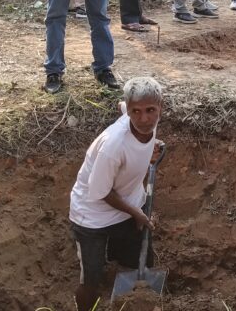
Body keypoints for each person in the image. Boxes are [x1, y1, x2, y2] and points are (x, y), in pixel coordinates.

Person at [69, 77, 165, 311]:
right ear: (130, 111)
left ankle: (132, 301)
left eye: (150, 110)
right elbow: (100, 191)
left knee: (139, 263)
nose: (144, 119)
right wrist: (137, 214)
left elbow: (121, 107)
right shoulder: (113, 146)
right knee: (91, 278)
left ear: (161, 107)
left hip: (129, 205)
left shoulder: (142, 120)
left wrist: (150, 146)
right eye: (136, 112)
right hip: (92, 216)